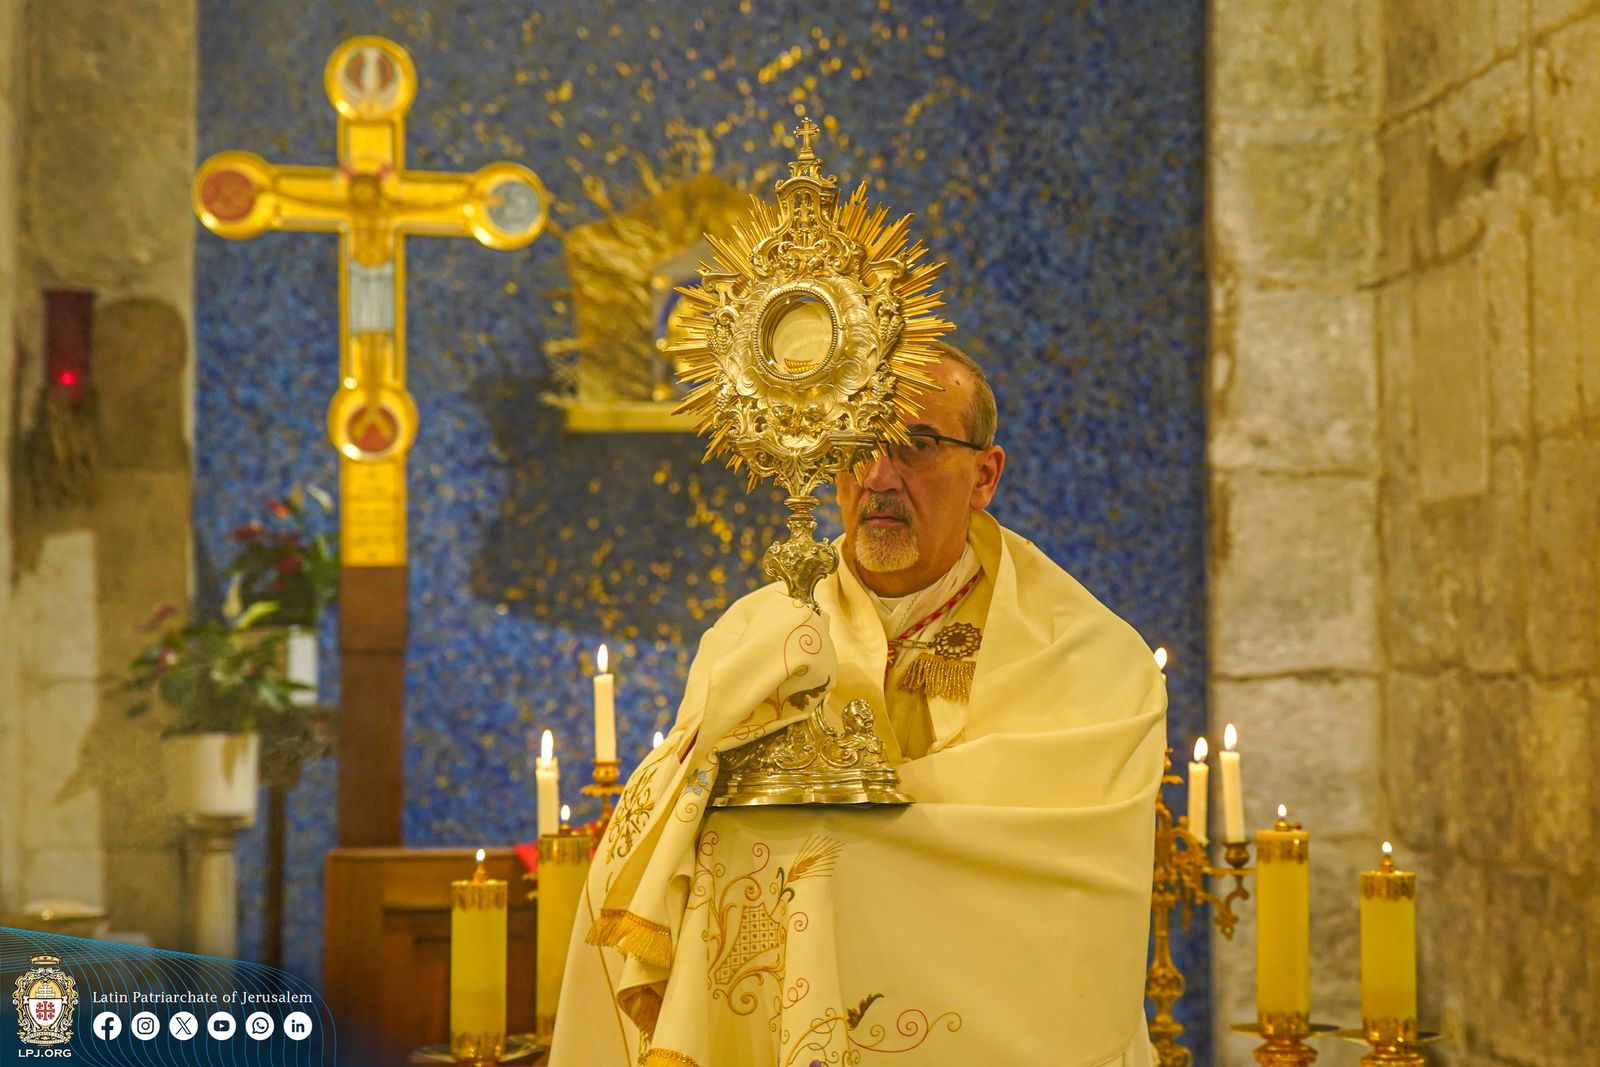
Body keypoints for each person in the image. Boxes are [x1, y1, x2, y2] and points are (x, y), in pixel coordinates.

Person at [550, 342, 1166, 1066]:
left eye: (917, 446)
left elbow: (1068, 892)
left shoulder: (1094, 660)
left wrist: (822, 835)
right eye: (857, 441)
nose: (877, 475)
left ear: (985, 475)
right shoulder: (755, 638)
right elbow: (678, 816)